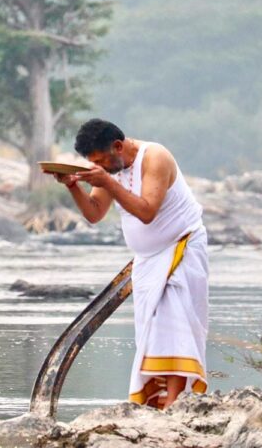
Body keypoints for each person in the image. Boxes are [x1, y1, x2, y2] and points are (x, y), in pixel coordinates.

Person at [44, 118, 209, 410]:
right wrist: (73, 186)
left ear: (118, 146)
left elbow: (147, 212)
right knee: (151, 330)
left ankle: (175, 402)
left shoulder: (154, 157)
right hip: (147, 260)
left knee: (174, 323)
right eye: (94, 163)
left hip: (181, 247)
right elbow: (95, 213)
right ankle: (158, 401)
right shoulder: (111, 168)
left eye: (102, 160)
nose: (102, 167)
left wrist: (107, 181)